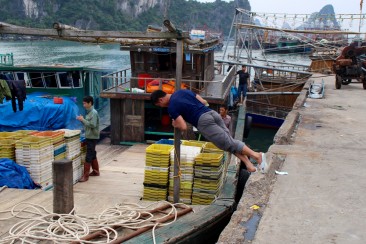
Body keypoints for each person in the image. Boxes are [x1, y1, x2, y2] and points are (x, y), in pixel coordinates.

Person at [151, 89, 267, 173]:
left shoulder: (171, 107)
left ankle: (257, 155)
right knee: (228, 143)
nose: (162, 107)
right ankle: (248, 164)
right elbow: (203, 101)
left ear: (160, 100)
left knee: (228, 143)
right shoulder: (181, 91)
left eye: (159, 105)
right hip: (212, 113)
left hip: (203, 121)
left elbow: (183, 126)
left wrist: (175, 123)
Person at [76, 96, 100, 182]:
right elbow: (88, 124)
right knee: (92, 153)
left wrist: (83, 119)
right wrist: (82, 120)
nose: (84, 105)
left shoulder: (93, 113)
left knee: (89, 155)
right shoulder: (89, 113)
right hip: (90, 136)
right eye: (83, 103)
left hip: (92, 137)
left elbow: (92, 125)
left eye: (85, 103)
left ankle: (85, 176)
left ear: (90, 103)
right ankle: (96, 171)